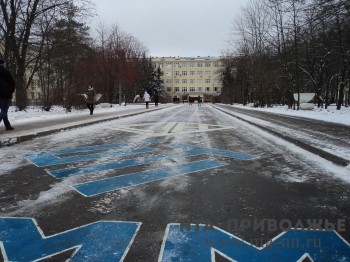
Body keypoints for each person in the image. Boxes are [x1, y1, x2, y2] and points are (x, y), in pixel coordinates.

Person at [0, 59, 16, 131]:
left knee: (3, 110)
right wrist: (11, 91)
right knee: (4, 111)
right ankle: (8, 125)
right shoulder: (5, 72)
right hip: (5, 94)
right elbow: (12, 83)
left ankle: (7, 125)